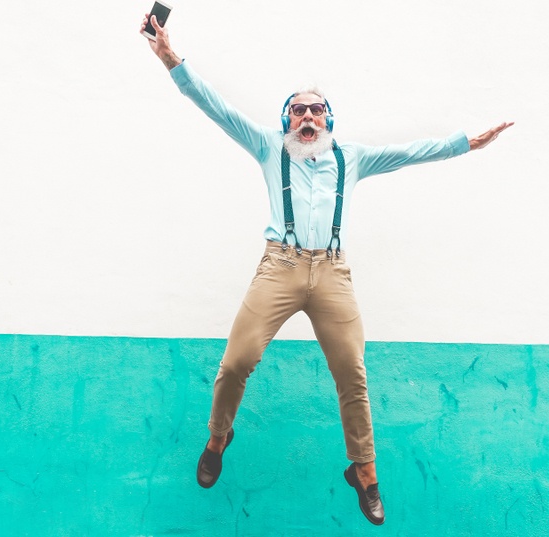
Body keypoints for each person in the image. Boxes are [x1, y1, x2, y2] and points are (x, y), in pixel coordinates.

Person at [140, 14, 512, 526]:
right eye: (298, 112)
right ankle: (219, 435)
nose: (307, 118)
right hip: (281, 266)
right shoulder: (270, 147)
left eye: (316, 110)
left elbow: (408, 153)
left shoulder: (350, 158)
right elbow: (216, 108)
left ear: (329, 120)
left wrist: (464, 143)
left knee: (352, 374)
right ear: (286, 121)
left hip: (332, 274)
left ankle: (364, 471)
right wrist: (169, 58)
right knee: (235, 363)